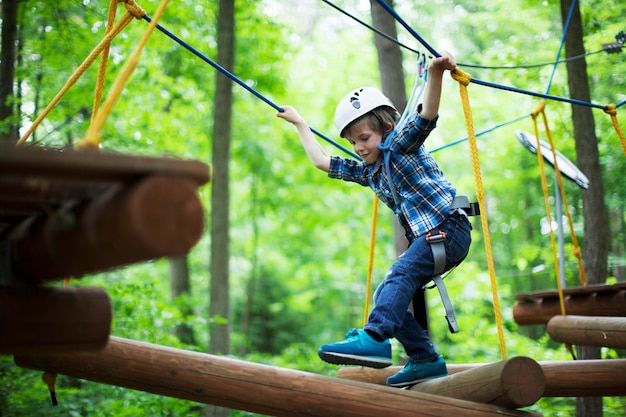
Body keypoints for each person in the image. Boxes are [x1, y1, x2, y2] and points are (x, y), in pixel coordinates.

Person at [276, 51, 472, 387]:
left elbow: (427, 114)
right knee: (388, 290)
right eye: (353, 142)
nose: (359, 147)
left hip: (449, 228)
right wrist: (300, 123)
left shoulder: (403, 145)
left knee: (399, 274)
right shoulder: (370, 171)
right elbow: (323, 162)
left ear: (387, 129)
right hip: (432, 238)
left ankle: (375, 338)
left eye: (364, 139)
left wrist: (436, 73)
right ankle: (424, 359)